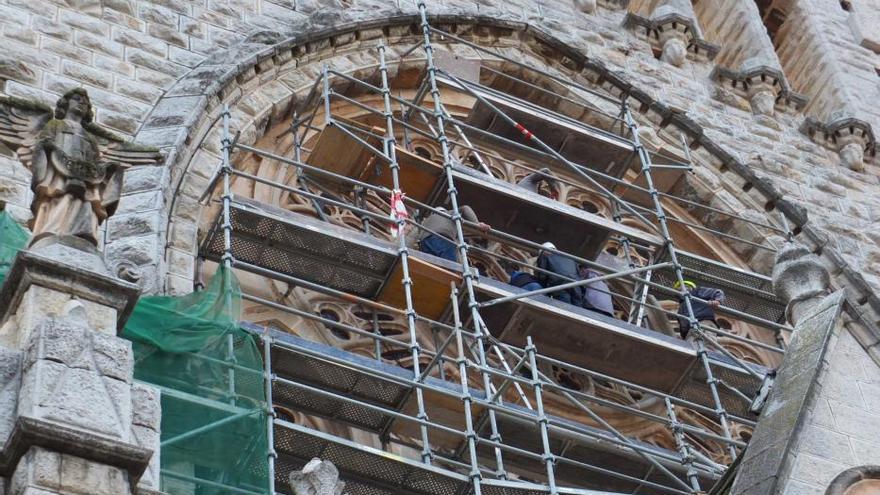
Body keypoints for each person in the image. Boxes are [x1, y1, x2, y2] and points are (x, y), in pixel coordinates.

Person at [412, 205, 490, 262]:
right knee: (450, 271)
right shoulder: (448, 214)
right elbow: (465, 208)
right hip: (444, 240)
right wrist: (477, 225)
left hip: (425, 243)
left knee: (432, 269)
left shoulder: (426, 221)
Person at [535, 242, 582, 306]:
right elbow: (578, 273)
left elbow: (542, 275)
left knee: (566, 307)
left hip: (559, 283)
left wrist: (544, 290)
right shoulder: (568, 257)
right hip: (576, 283)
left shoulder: (544, 256)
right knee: (578, 308)